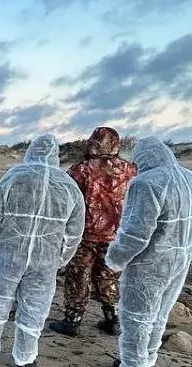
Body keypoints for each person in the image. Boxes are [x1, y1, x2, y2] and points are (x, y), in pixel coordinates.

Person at [96, 137, 192, 367]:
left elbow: (136, 233)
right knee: (159, 314)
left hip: (151, 262)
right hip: (181, 258)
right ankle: (144, 362)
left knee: (137, 316)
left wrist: (115, 260)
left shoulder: (146, 183)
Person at [0, 134, 84, 367]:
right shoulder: (68, 186)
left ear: (30, 151)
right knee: (35, 307)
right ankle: (25, 359)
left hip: (8, 254)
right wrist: (61, 259)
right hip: (45, 260)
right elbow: (75, 232)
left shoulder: (14, 177)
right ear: (55, 155)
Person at [49, 127, 137, 337]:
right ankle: (113, 319)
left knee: (79, 274)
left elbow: (66, 197)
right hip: (117, 235)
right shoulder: (131, 170)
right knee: (109, 275)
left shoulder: (81, 169)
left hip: (84, 234)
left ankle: (73, 320)